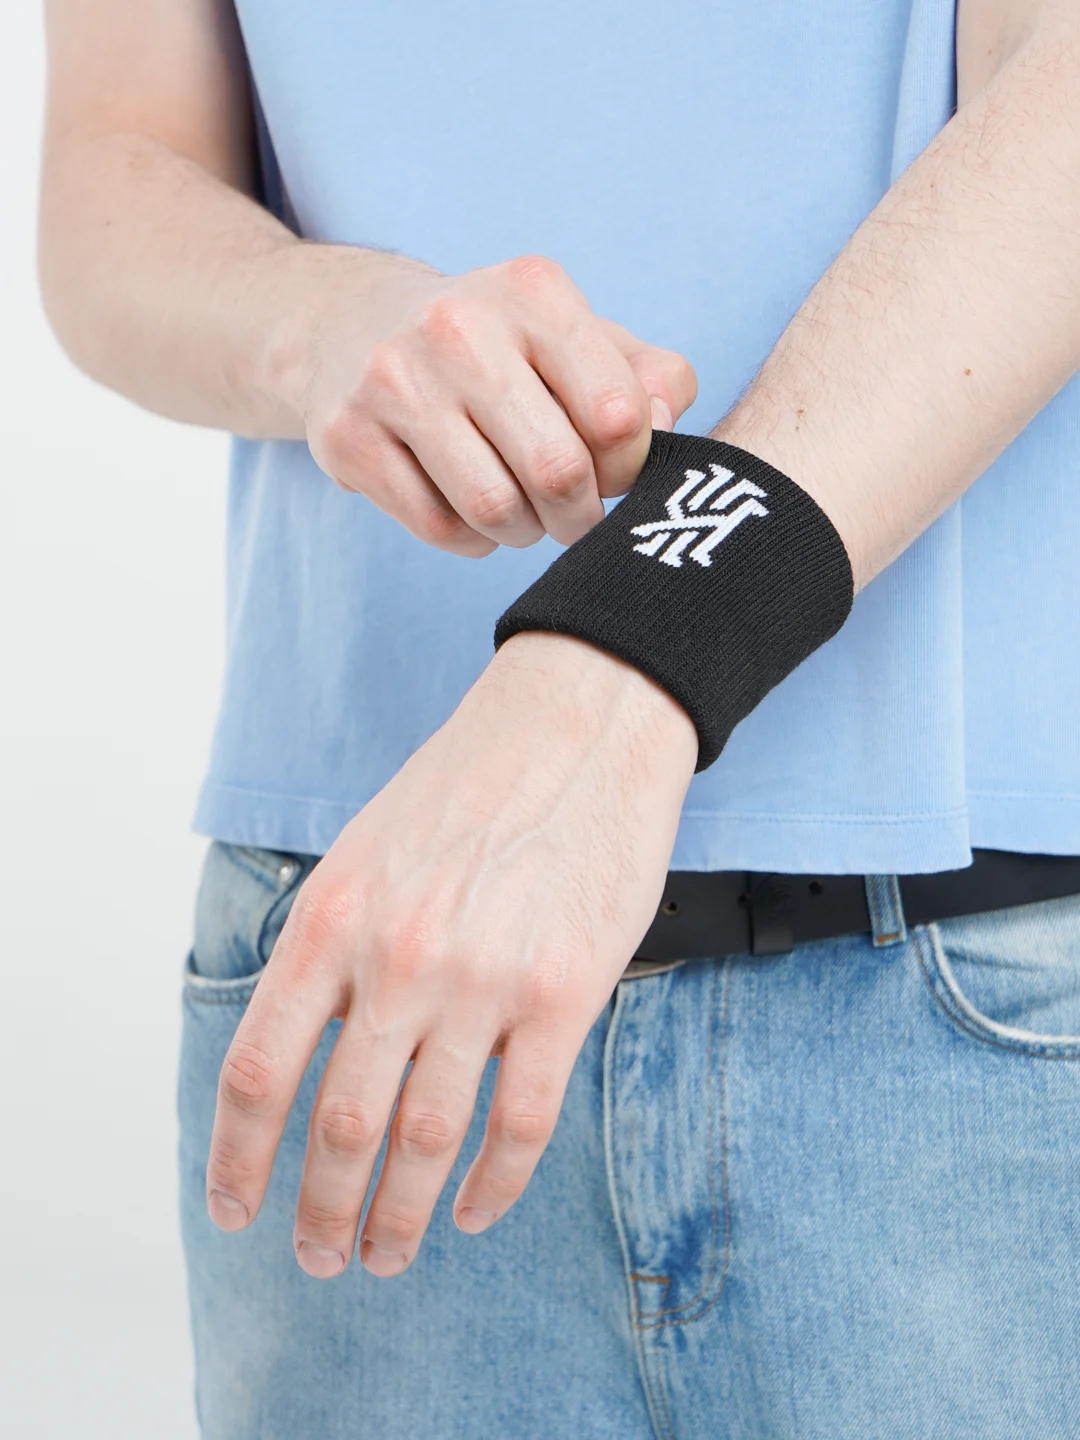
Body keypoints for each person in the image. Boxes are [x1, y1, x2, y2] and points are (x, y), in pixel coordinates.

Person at [39, 0, 1080, 1434]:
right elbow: (116, 170)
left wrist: (632, 646)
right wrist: (326, 321)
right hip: (368, 964)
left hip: (972, 970)